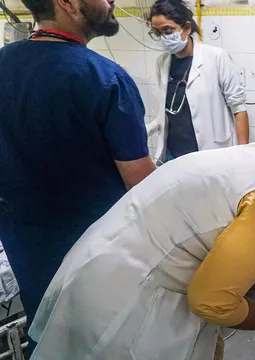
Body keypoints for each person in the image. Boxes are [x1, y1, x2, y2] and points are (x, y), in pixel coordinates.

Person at [28, 118, 255, 360]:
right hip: (127, 299)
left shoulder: (251, 161)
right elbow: (212, 300)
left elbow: (234, 266)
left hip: (99, 271)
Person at [0, 0, 155, 339]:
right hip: (97, 260)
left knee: (49, 339)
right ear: (67, 3)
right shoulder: (104, 78)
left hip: (29, 255)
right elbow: (143, 187)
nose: (111, 1)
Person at [146, 0, 250, 163]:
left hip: (212, 152)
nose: (163, 38)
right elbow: (169, 110)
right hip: (174, 154)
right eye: (157, 33)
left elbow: (239, 109)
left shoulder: (216, 57)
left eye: (167, 30)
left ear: (186, 28)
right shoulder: (162, 62)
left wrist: (244, 156)